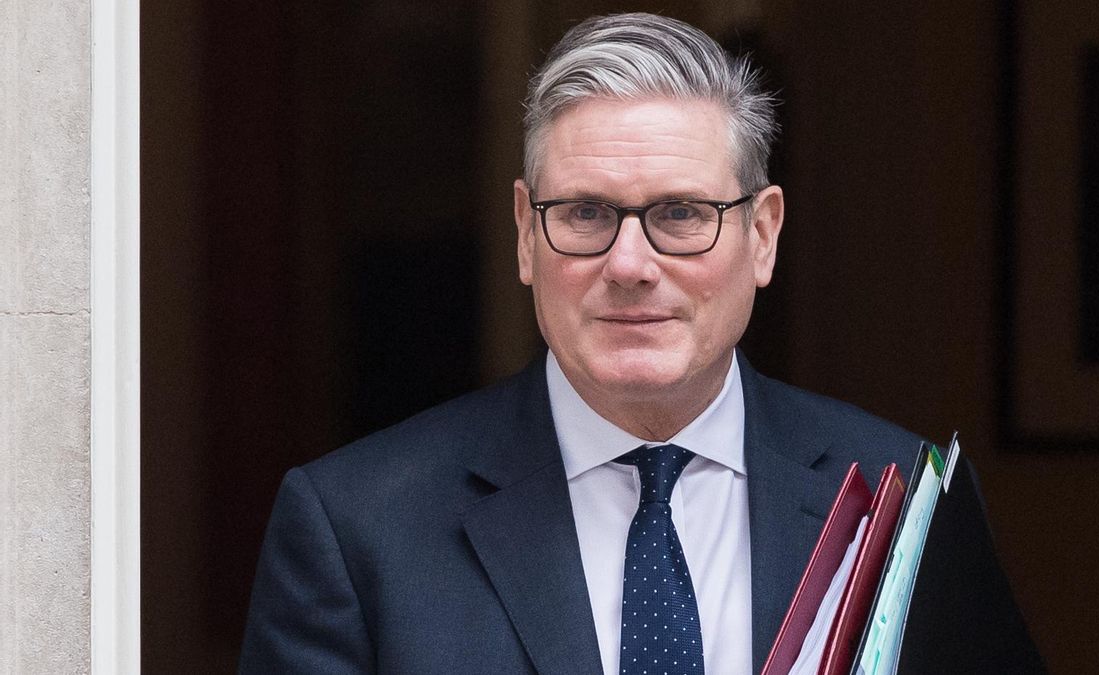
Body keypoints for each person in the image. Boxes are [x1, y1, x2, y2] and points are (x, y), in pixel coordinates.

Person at [240, 13, 1042, 674]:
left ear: (763, 235)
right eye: (586, 213)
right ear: (525, 234)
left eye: (682, 214)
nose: (629, 265)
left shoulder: (905, 505)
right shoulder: (358, 530)